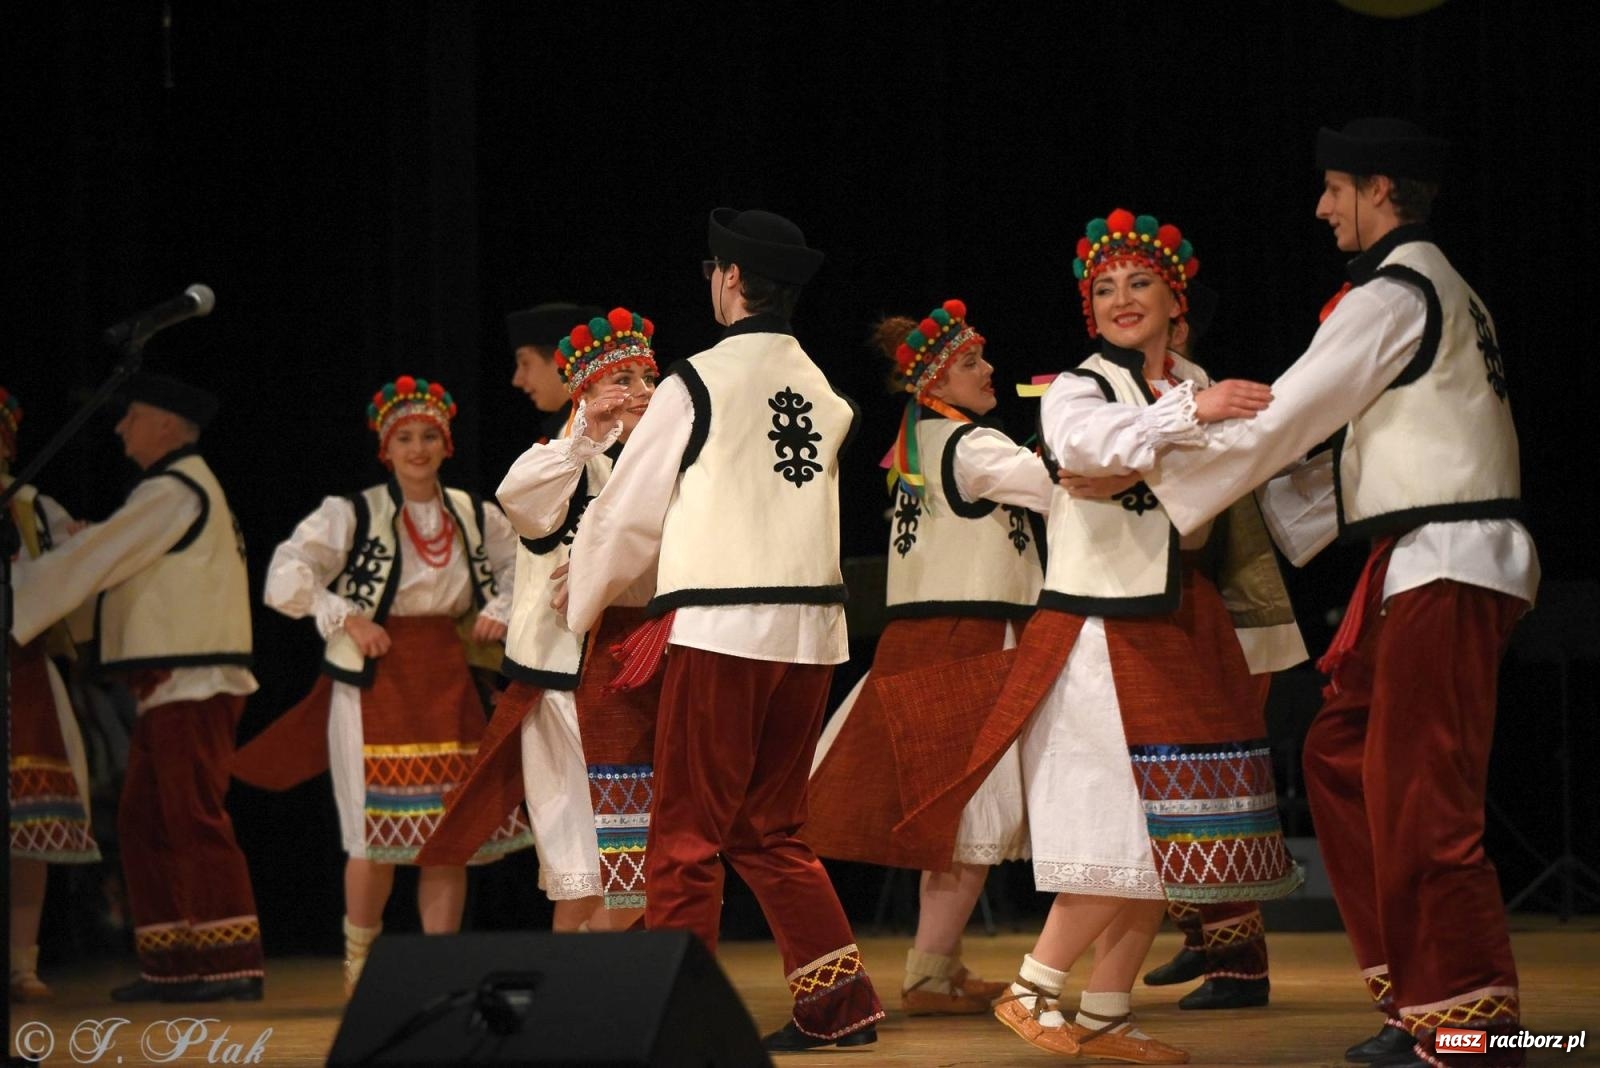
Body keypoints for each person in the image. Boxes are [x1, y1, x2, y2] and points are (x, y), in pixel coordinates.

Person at [1143, 118, 1538, 1068]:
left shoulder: (1396, 291)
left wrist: (1156, 466)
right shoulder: (1445, 289)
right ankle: (1416, 989)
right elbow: (1353, 446)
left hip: (1447, 557)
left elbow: (1293, 410)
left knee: (1424, 797)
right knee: (1340, 751)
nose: (1322, 208)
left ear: (1379, 188)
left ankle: (1473, 1026)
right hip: (1426, 557)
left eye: (1333, 188)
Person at [888, 209, 1305, 1064]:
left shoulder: (1186, 384)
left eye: (1139, 283)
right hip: (1099, 626)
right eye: (1105, 288)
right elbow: (1080, 442)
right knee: (1121, 822)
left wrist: (1188, 423)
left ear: (1172, 296)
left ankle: (1108, 1008)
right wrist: (1183, 419)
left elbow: (1249, 463)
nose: (1121, 298)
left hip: (1178, 618)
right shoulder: (1084, 385)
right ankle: (1038, 983)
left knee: (1174, 834)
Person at [562, 208, 885, 1051]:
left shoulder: (694, 380)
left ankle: (679, 1019)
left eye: (715, 269)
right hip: (812, 633)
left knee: (684, 835)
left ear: (733, 279)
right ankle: (839, 1005)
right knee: (769, 829)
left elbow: (628, 512)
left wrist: (581, 603)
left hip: (723, 627)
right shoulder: (825, 388)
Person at [240, 375, 530, 996]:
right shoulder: (354, 512)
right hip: (375, 682)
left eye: (429, 436)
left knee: (447, 837)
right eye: (406, 438)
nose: (418, 448)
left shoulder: (475, 515)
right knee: (372, 833)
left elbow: (524, 568)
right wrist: (346, 615)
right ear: (386, 447)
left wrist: (501, 609)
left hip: (448, 675)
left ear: (446, 444)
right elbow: (285, 574)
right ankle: (360, 966)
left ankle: (440, 969)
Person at [805, 301, 1048, 1016]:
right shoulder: (970, 447)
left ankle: (934, 966)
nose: (990, 369)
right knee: (963, 818)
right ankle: (928, 973)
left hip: (929, 639)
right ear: (936, 380)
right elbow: (1056, 485)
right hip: (965, 639)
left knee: (955, 817)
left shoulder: (924, 447)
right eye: (972, 362)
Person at [9, 371, 265, 1002]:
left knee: (188, 814)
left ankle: (230, 963)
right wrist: (83, 543)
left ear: (167, 425)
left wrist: (20, 594)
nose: (120, 427)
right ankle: (174, 962)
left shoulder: (174, 488)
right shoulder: (171, 490)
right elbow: (105, 550)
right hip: (172, 682)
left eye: (132, 416)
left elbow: (96, 556)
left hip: (194, 678)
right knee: (145, 816)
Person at [419, 307, 661, 937]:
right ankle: (593, 1000)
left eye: (646, 377)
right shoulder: (565, 462)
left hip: (636, 663)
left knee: (614, 856)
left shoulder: (657, 462)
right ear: (585, 390)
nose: (639, 392)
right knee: (603, 854)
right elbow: (520, 498)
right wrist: (584, 432)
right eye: (622, 379)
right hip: (569, 674)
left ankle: (582, 997)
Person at [1136, 283, 1277, 1012]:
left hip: (1195, 598)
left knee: (1204, 778)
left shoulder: (1195, 392)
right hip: (1160, 597)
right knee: (1166, 779)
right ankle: (1203, 934)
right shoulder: (1138, 388)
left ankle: (1237, 961)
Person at [4, 385, 103, 1003]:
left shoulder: (33, 506)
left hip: (24, 670)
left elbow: (79, 562)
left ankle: (21, 961)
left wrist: (80, 544)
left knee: (28, 826)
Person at [507, 301, 603, 442]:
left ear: (563, 360)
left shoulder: (595, 436)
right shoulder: (562, 431)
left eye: (525, 363)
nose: (517, 380)